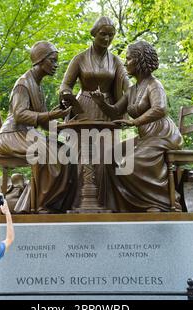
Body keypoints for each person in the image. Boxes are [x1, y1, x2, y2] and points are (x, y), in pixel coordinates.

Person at [91, 40, 183, 212]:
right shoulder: (132, 90)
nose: (125, 63)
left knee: (132, 162)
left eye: (129, 59)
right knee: (109, 156)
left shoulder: (154, 85)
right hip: (146, 137)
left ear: (140, 60)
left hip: (162, 135)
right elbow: (115, 111)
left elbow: (160, 108)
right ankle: (121, 205)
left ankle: (161, 202)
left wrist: (134, 122)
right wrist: (101, 103)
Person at [0, 41, 77, 213]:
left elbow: (44, 122)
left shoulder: (37, 86)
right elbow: (20, 114)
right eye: (52, 60)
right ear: (40, 60)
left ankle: (55, 202)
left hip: (27, 134)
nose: (56, 65)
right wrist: (49, 116)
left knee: (66, 151)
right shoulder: (23, 83)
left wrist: (66, 124)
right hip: (12, 135)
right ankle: (39, 203)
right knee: (47, 152)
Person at [59, 17, 129, 209]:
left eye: (111, 35)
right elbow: (66, 84)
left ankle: (105, 201)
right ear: (94, 34)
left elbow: (128, 89)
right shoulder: (79, 58)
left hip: (106, 110)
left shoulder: (116, 62)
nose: (107, 39)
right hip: (83, 109)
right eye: (103, 34)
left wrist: (117, 109)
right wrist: (66, 93)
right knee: (82, 154)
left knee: (106, 156)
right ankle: (80, 200)